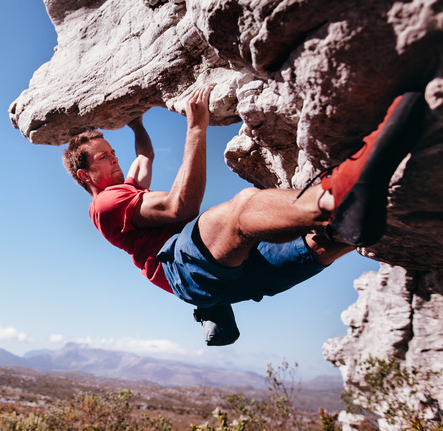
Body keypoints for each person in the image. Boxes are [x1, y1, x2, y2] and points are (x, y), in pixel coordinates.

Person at [62, 85, 429, 345]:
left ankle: (390, 204)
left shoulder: (125, 189)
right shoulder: (106, 204)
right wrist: (196, 127)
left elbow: (145, 157)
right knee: (244, 208)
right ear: (85, 176)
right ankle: (340, 193)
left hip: (225, 280)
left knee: (326, 242)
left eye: (112, 151)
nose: (115, 157)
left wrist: (137, 123)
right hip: (183, 268)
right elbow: (180, 208)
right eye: (104, 157)